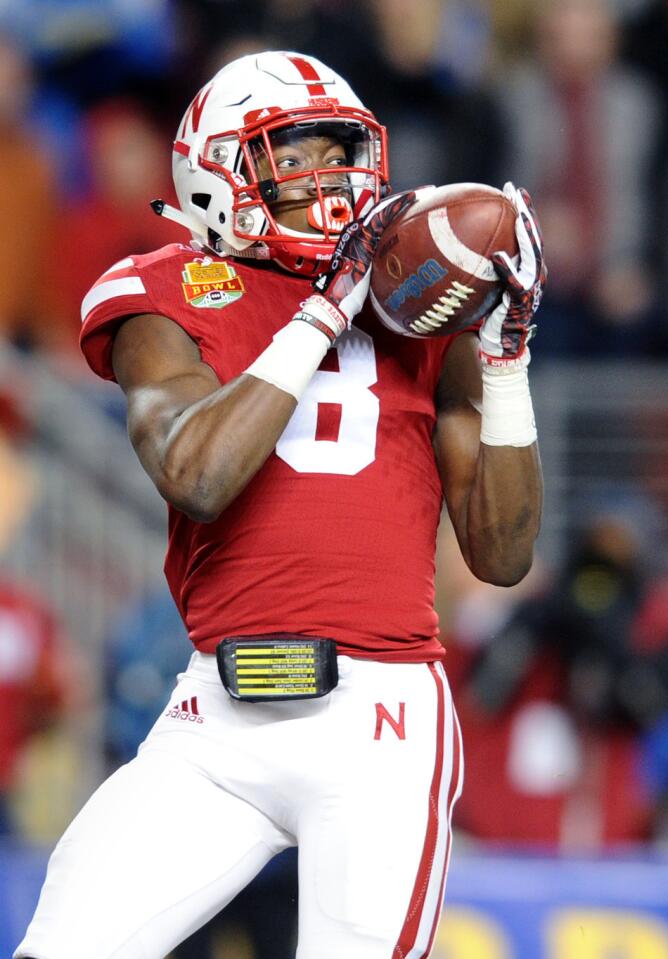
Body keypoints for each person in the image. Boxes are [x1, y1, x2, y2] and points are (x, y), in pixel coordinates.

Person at [15, 49, 545, 959]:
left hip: (381, 718)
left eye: (338, 150)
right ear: (215, 172)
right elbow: (198, 474)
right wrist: (324, 312)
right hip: (217, 718)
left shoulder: (418, 310)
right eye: (291, 157)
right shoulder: (161, 291)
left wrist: (505, 355)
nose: (327, 178)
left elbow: (501, 554)